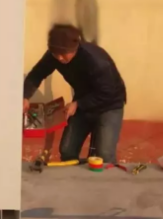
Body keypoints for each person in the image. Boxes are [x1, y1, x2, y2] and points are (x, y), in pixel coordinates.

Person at [23, 24, 126, 165]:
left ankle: (105, 177)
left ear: (75, 48)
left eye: (64, 53)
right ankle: (74, 177)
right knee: (67, 151)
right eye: (55, 53)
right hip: (82, 102)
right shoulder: (54, 55)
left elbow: (108, 92)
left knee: (104, 155)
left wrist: (78, 104)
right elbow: (36, 75)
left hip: (110, 105)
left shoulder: (96, 61)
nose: (60, 58)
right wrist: (25, 96)